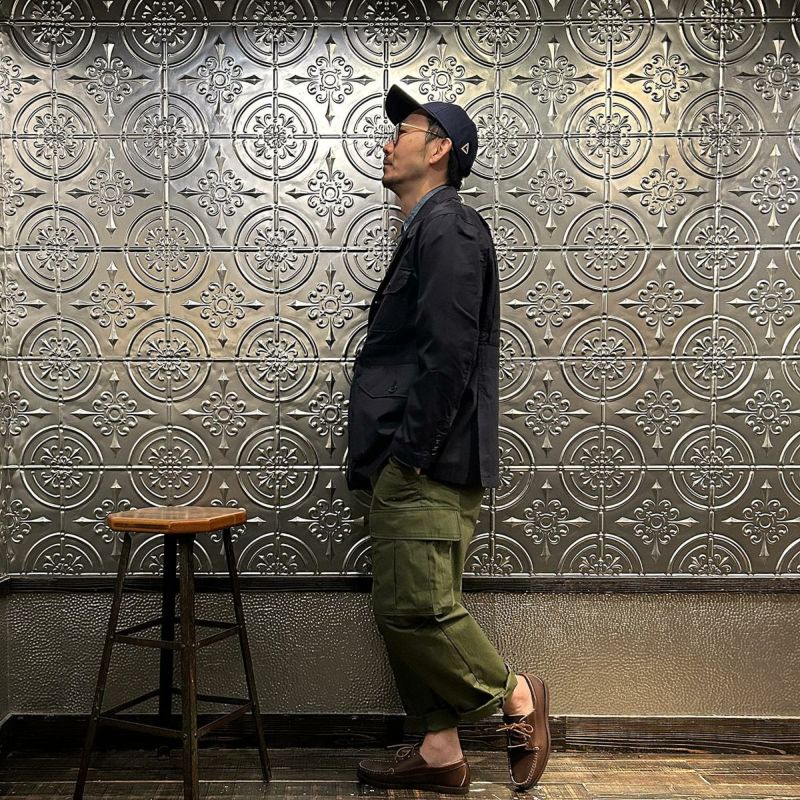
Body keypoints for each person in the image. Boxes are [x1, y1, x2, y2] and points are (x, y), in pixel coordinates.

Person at [345, 84, 551, 794]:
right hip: (407, 461)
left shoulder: (450, 228)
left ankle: (516, 695)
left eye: (401, 131)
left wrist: (409, 456)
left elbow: (451, 357)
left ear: (438, 151)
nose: (386, 143)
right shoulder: (426, 229)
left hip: (424, 465)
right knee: (401, 608)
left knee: (419, 609)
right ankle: (439, 752)